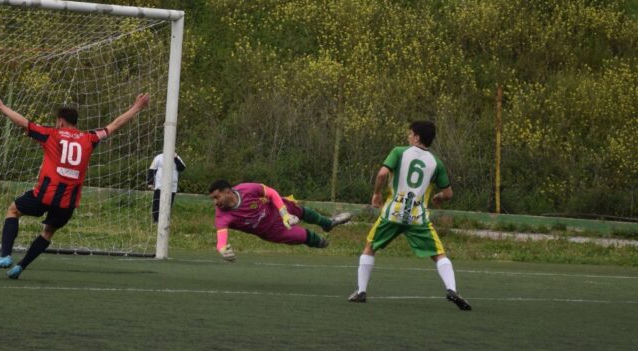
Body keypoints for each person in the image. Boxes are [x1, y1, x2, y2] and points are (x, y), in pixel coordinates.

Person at [0, 92, 151, 279]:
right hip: (68, 202)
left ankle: (5, 255)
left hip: (45, 194)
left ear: (61, 121)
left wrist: (0, 106)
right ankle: (20, 267)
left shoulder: (51, 134)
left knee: (13, 211)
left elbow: (23, 122)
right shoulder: (90, 138)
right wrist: (137, 107)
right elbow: (114, 125)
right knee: (48, 232)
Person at [348, 121, 472, 310]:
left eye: (410, 133)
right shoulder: (436, 162)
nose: (408, 136)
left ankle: (361, 291)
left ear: (416, 137)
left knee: (370, 247)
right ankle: (452, 289)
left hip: (393, 213)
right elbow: (448, 194)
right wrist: (438, 197)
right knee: (439, 254)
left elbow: (382, 175)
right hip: (417, 217)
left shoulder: (399, 152)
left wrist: (376, 194)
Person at [209, 180, 352, 261]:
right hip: (272, 231)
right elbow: (221, 237)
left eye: (217, 197)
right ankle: (318, 241)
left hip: (276, 209)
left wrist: (284, 214)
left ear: (228, 192)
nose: (215, 202)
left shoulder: (247, 189)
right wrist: (221, 249)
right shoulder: (222, 215)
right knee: (303, 236)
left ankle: (328, 223)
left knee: (300, 211)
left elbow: (271, 193)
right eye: (213, 199)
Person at [147, 151, 186, 223]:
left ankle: (165, 219)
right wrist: (150, 183)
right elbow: (152, 170)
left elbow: (182, 168)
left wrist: (176, 158)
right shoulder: (159, 157)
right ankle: (156, 220)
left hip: (172, 186)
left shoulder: (177, 158)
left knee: (168, 203)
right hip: (160, 185)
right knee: (157, 202)